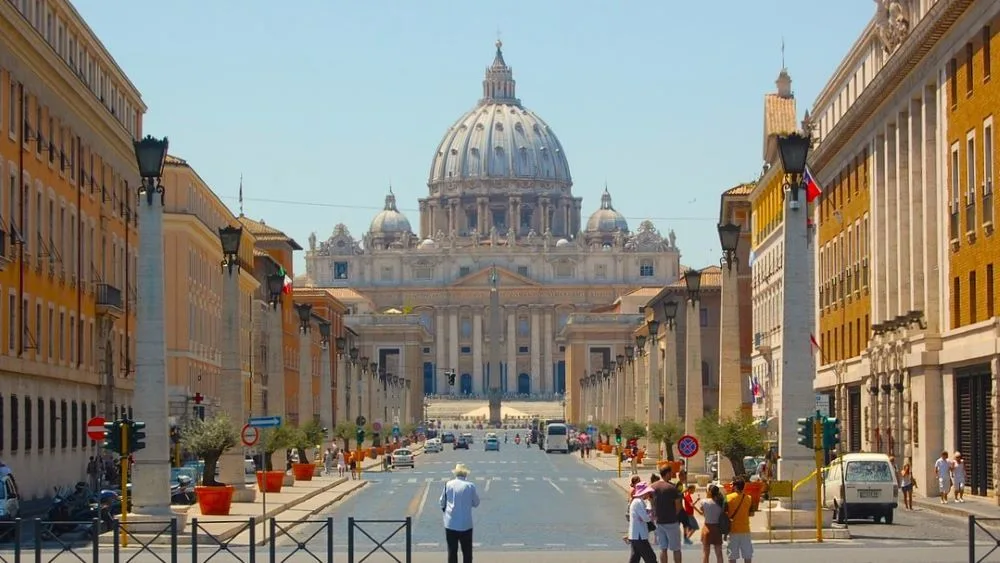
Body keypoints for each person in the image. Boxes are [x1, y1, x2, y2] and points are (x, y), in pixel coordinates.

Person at [440, 463, 480, 563]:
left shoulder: (448, 484)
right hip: (466, 524)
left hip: (450, 523)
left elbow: (441, 502)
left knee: (452, 552)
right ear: (465, 474)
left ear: (456, 473)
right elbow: (476, 503)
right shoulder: (470, 486)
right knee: (467, 553)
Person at [651, 465, 682, 563]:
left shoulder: (653, 486)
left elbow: (650, 502)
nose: (672, 474)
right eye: (671, 472)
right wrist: (675, 515)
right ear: (667, 473)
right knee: (676, 548)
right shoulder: (672, 488)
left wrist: (656, 512)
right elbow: (678, 506)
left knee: (663, 548)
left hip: (659, 522)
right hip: (672, 521)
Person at [625, 482, 658, 563]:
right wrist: (650, 515)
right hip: (639, 535)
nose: (648, 494)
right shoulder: (638, 502)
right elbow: (645, 518)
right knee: (651, 558)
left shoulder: (637, 502)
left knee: (635, 558)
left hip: (636, 535)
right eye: (647, 492)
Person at [725, 479, 754, 563]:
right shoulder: (749, 498)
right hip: (745, 529)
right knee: (747, 555)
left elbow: (724, 513)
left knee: (732, 556)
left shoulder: (728, 497)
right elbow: (751, 514)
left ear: (735, 487)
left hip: (733, 530)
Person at [696, 484, 725, 563]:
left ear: (709, 492)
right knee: (719, 553)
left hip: (707, 528)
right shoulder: (721, 503)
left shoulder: (704, 502)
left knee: (706, 553)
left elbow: (702, 511)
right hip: (717, 528)